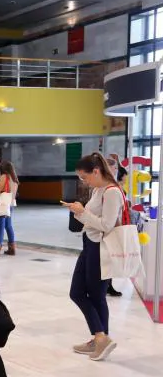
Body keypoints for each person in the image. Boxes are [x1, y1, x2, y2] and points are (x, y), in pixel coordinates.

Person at [63, 152, 124, 362]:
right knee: (77, 292)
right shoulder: (98, 190)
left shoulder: (113, 192)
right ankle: (99, 337)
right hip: (89, 244)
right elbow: (93, 220)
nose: (84, 181)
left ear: (96, 171)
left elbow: (107, 225)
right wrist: (79, 212)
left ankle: (100, 338)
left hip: (102, 248)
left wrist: (82, 212)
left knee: (96, 295)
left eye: (84, 177)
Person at [104, 155, 126, 297]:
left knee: (111, 258)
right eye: (114, 168)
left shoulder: (115, 186)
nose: (116, 170)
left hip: (116, 224)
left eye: (117, 168)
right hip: (111, 227)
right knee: (108, 257)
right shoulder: (110, 188)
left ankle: (108, 285)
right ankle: (107, 285)